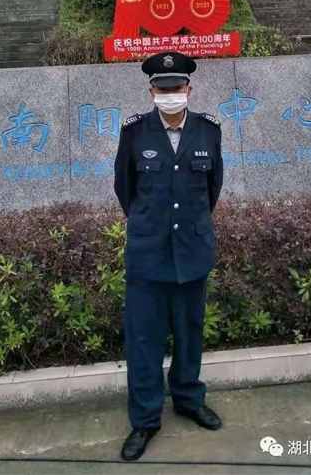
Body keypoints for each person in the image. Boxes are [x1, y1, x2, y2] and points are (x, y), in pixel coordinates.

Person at [114, 51, 224, 462]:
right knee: (144, 338)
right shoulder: (135, 132)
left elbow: (212, 188)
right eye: (162, 89)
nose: (170, 94)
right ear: (151, 93)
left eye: (176, 87)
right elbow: (124, 188)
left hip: (192, 251)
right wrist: (151, 225)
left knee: (190, 331)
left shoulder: (208, 130)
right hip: (148, 254)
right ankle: (145, 419)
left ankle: (189, 399)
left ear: (189, 90)